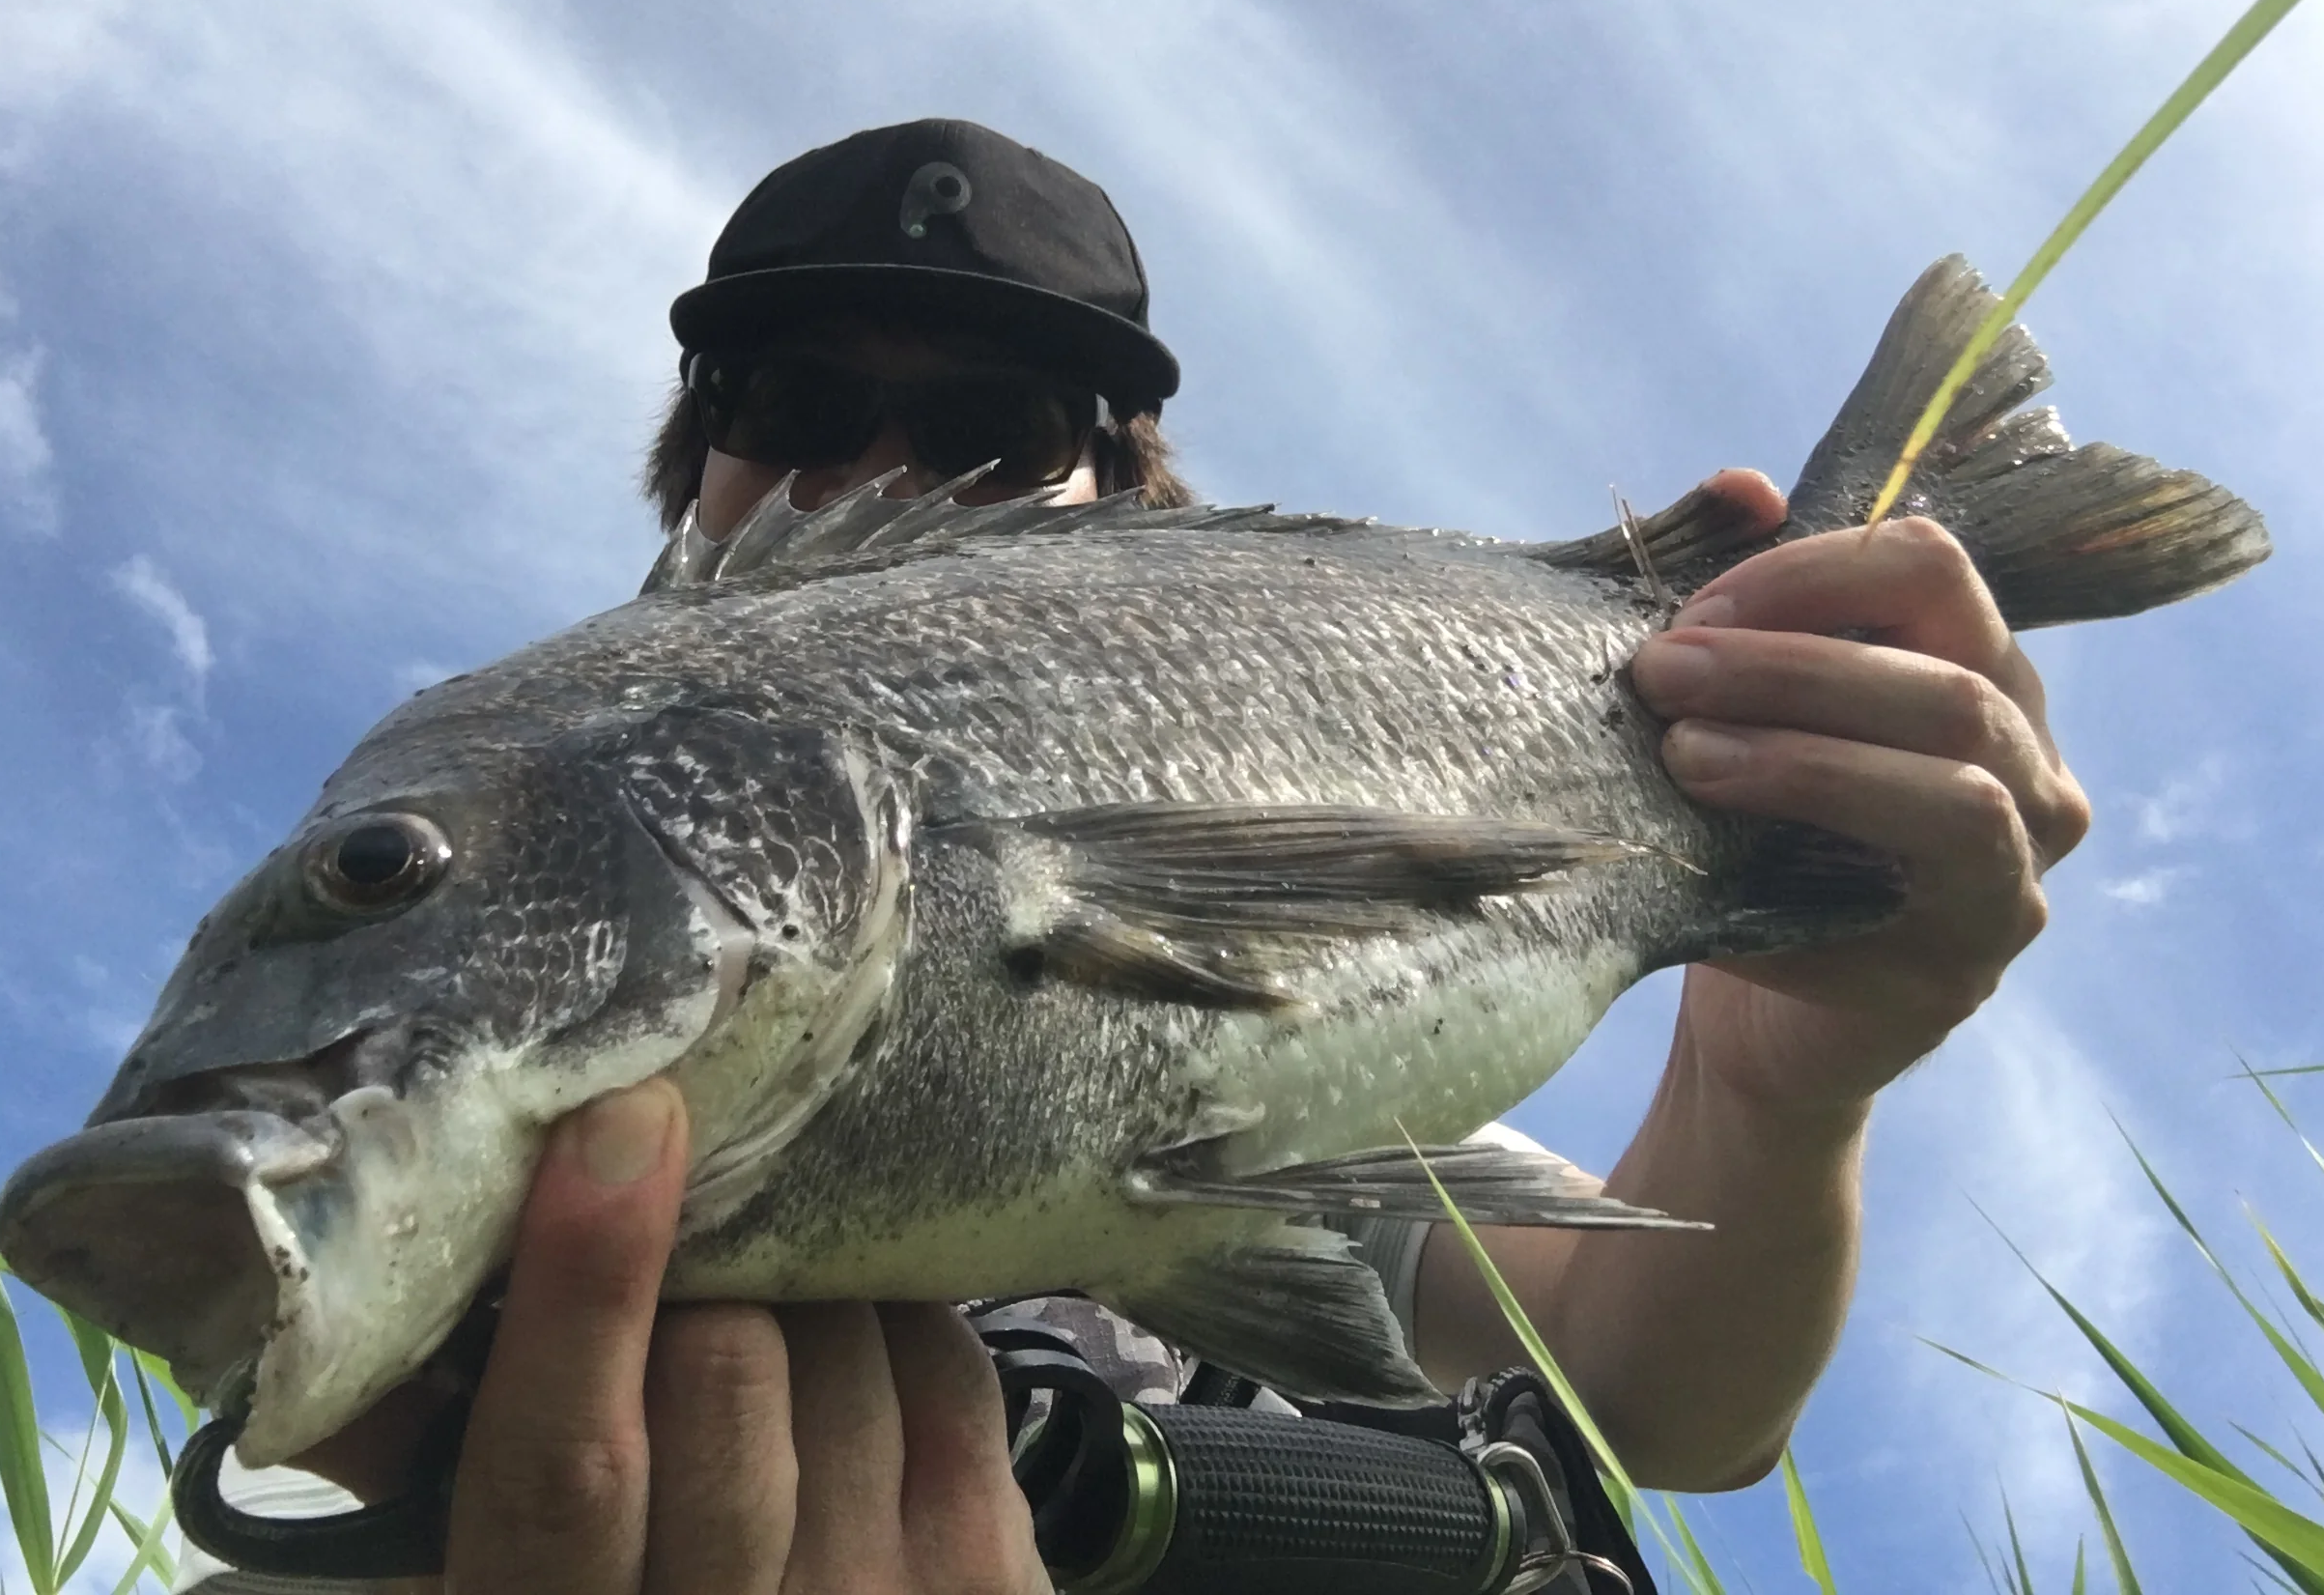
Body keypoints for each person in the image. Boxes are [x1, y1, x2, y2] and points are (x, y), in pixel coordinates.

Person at [267, 118, 2087, 1593]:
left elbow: (1658, 1399)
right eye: (792, 403)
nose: (879, 473)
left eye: (995, 431)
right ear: (696, 470)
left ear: (1137, 502)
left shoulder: (1286, 1041)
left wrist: (1776, 1084)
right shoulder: (439, 982)